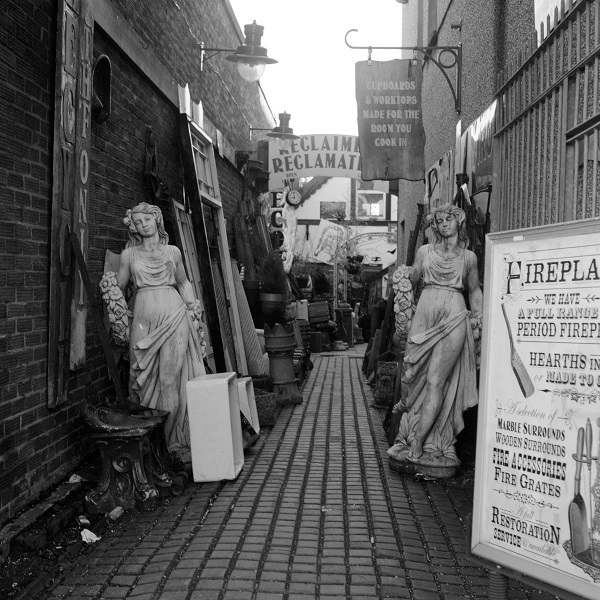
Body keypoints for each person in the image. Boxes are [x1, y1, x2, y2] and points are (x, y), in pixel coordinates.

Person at [388, 203, 482, 472]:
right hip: (425, 313)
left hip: (453, 317)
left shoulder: (468, 258)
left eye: (448, 220)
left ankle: (422, 442)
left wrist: (481, 318)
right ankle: (408, 431)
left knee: (436, 381)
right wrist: (404, 276)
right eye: (439, 221)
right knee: (411, 370)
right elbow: (414, 277)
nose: (443, 224)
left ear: (458, 223)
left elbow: (474, 292)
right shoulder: (425, 252)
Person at [111, 203, 206, 463]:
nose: (143, 225)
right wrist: (108, 291)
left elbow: (184, 283)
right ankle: (148, 443)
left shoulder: (173, 252)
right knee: (137, 376)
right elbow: (118, 286)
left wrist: (193, 308)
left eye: (147, 219)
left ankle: (169, 441)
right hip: (142, 318)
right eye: (138, 222)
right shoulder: (129, 255)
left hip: (174, 315)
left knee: (168, 381)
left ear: (157, 220)